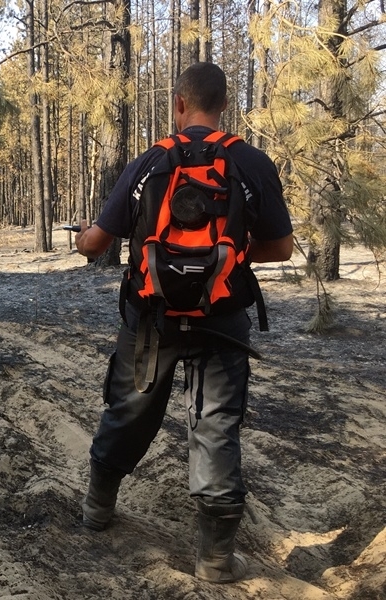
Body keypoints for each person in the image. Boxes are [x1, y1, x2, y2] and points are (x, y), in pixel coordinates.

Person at [74, 62, 293, 583]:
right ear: (224, 104)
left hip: (152, 319)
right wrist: (225, 259)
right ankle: (215, 560)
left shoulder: (151, 163)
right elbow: (281, 248)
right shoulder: (251, 162)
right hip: (221, 319)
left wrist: (83, 236)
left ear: (179, 104)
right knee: (216, 426)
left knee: (130, 409)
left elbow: (96, 244)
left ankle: (97, 512)